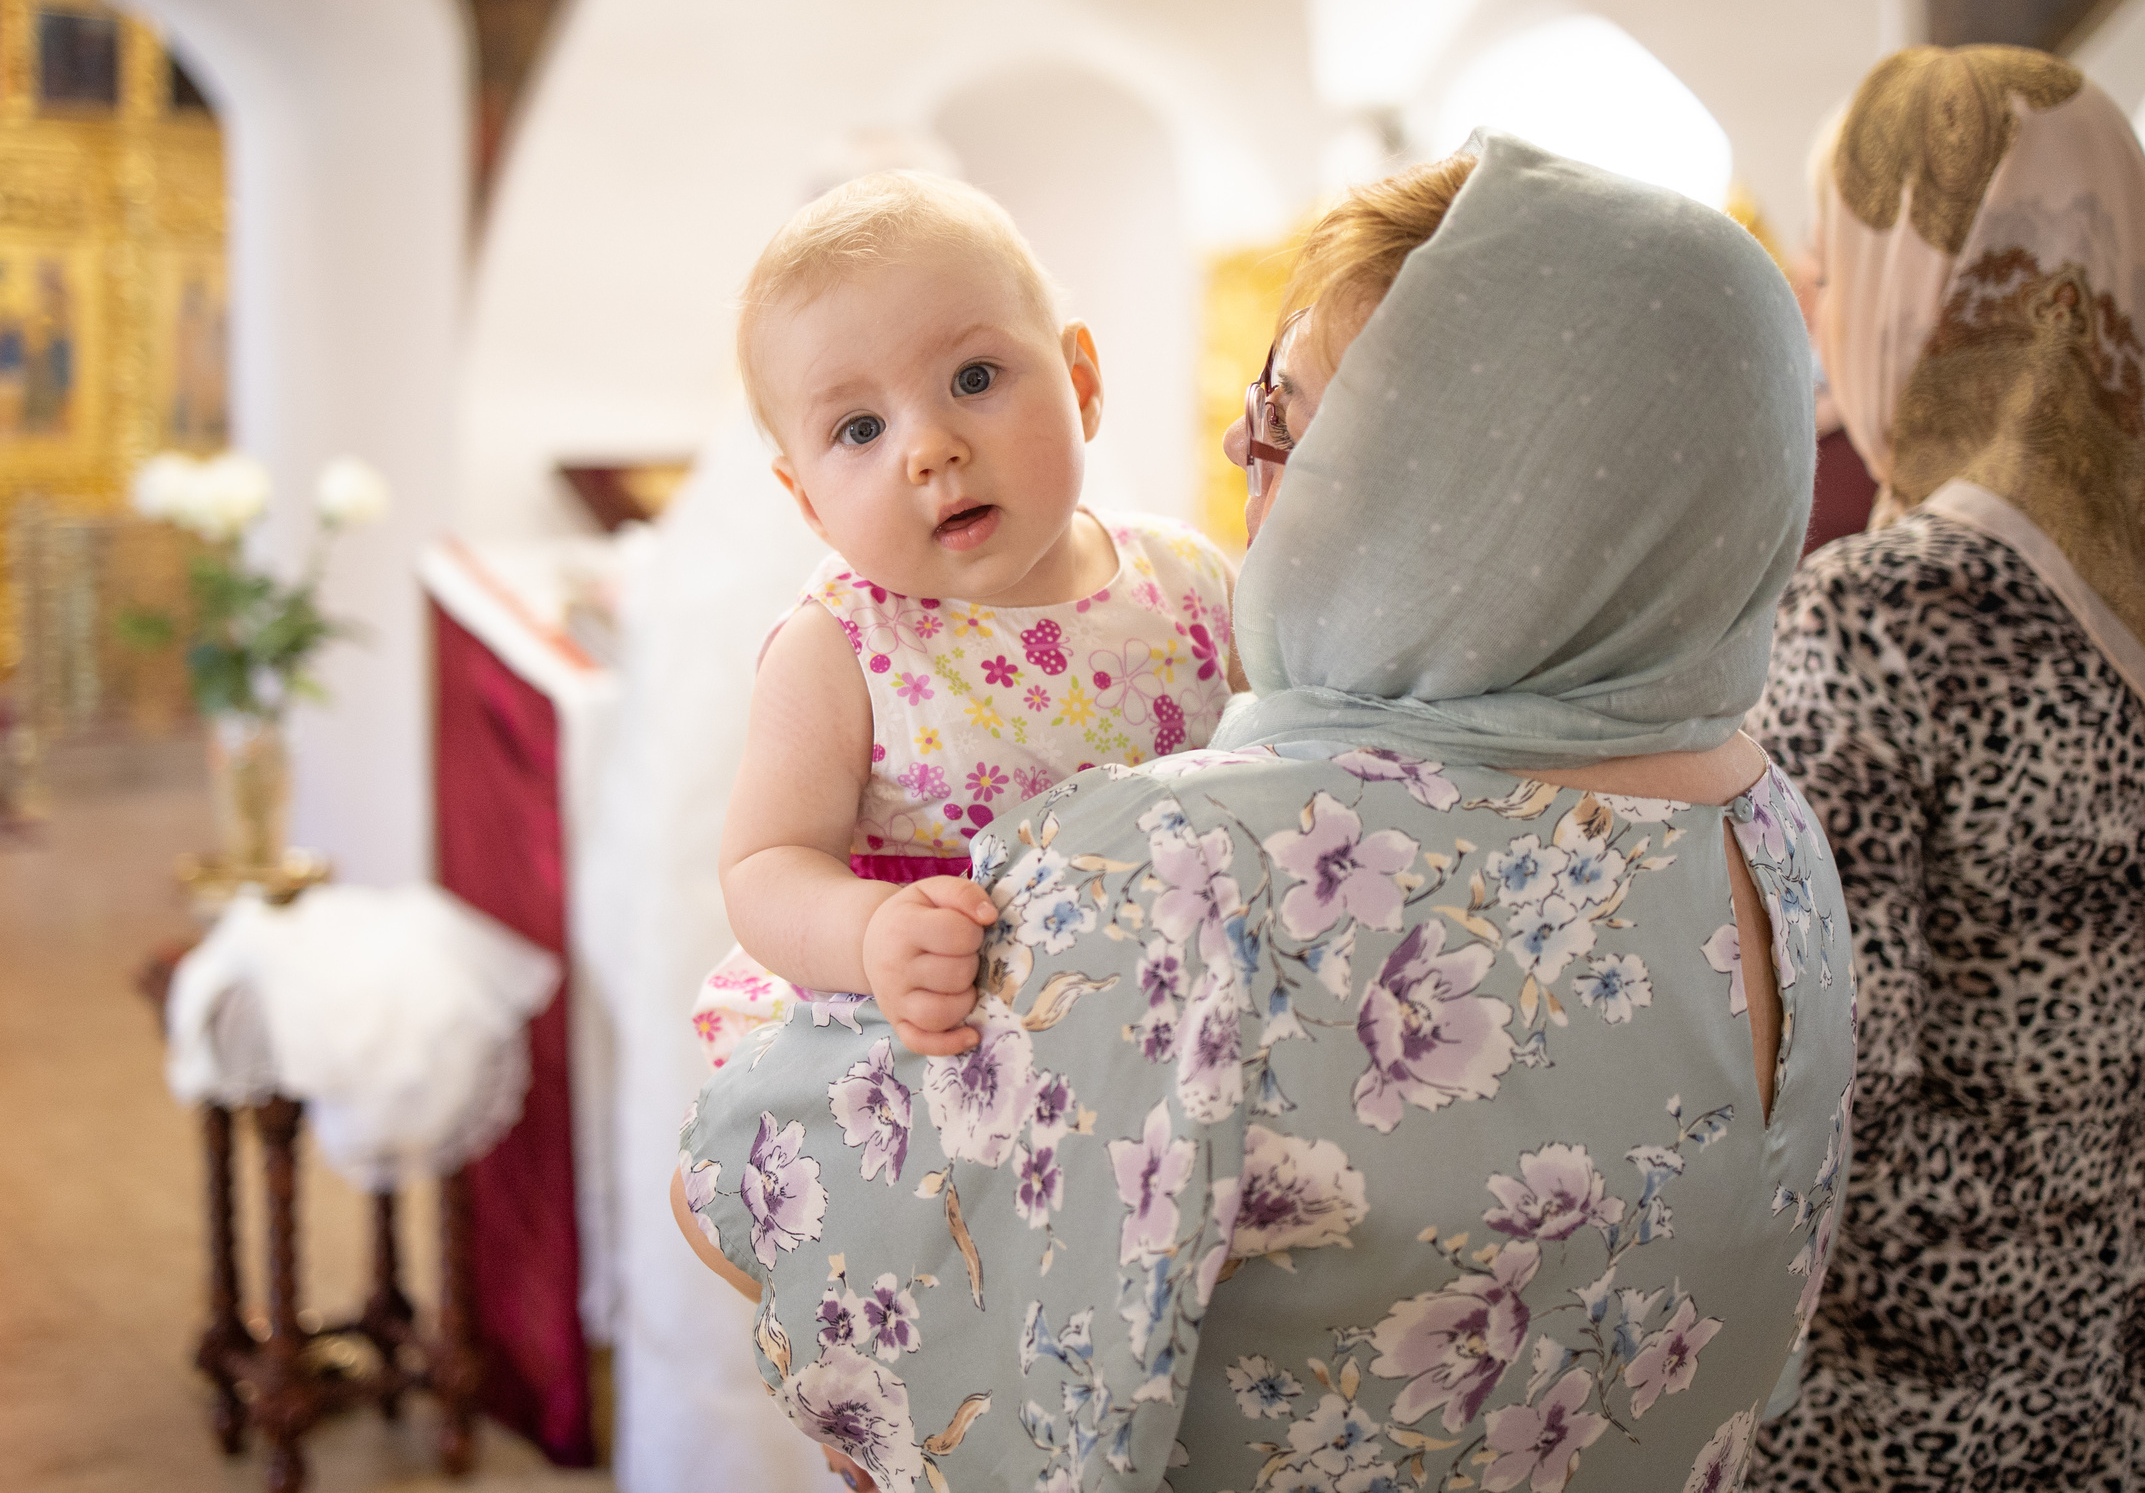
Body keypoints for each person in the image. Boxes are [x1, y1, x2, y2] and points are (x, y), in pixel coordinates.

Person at [675, 132, 1854, 1492]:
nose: (1244, 447)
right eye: (860, 427)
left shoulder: (1192, 869)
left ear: (1462, 487)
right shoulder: (1777, 832)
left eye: (1290, 422)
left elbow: (771, 1215)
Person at [1746, 44, 2145, 1490]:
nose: (1818, 309)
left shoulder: (1881, 612)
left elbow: (1820, 1075)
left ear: (1931, 279)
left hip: (1906, 1404)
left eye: (1826, 265)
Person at [698, 173, 1238, 1068]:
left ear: (1081, 382)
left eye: (973, 377)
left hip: (1175, 1024)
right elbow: (765, 866)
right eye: (862, 428)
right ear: (809, 504)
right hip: (952, 1047)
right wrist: (870, 932)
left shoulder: (1188, 579)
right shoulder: (840, 647)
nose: (929, 447)